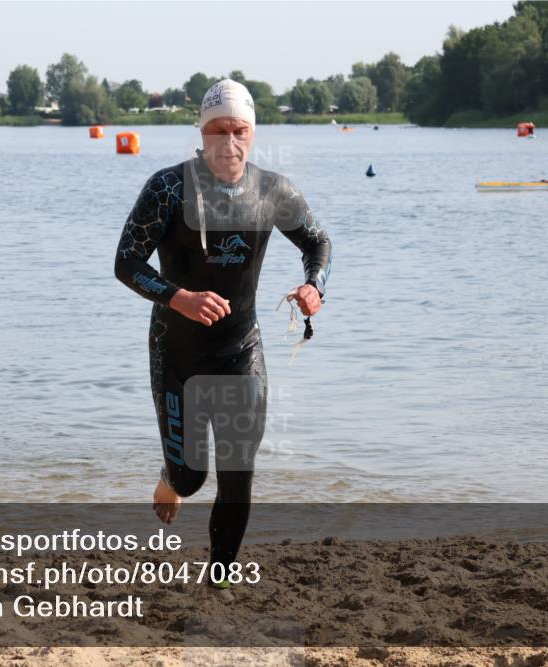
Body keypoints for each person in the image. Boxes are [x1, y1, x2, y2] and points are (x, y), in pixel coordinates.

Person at [114, 79, 332, 587]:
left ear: (252, 133)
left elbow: (318, 242)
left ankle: (220, 577)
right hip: (177, 351)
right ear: (202, 132)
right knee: (191, 478)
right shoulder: (168, 188)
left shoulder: (273, 191)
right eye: (218, 130)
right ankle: (171, 478)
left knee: (238, 469)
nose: (229, 141)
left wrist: (314, 286)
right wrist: (179, 297)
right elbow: (126, 262)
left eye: (240, 130)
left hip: (241, 349)